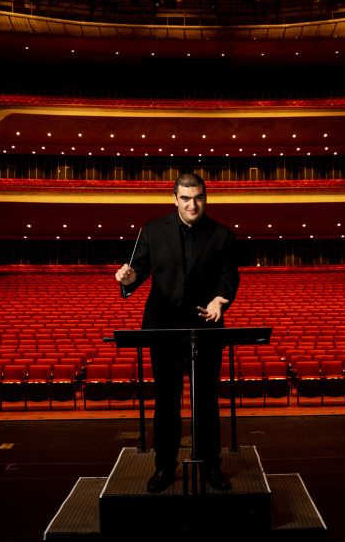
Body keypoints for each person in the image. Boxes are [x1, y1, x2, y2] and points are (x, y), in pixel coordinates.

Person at [115, 173, 240, 493]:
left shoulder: (223, 234)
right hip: (163, 327)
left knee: (206, 400)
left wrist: (219, 298)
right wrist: (127, 279)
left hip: (206, 326)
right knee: (166, 401)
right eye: (185, 198)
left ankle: (212, 466)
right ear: (175, 199)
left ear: (205, 197)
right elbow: (138, 271)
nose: (192, 204)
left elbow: (228, 275)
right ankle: (164, 467)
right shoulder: (153, 230)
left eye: (197, 197)